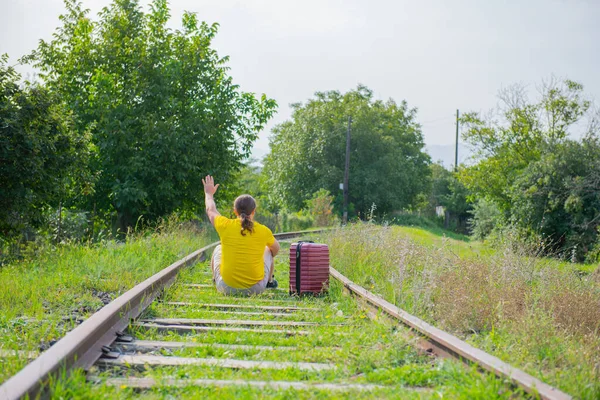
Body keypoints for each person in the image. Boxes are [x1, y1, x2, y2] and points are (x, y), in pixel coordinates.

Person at [203, 175, 280, 295]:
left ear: (235, 211)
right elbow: (276, 249)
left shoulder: (225, 225)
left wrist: (209, 194)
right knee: (268, 250)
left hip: (225, 287)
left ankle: (215, 279)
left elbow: (210, 210)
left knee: (218, 248)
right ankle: (269, 281)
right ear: (254, 211)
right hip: (256, 289)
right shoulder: (263, 230)